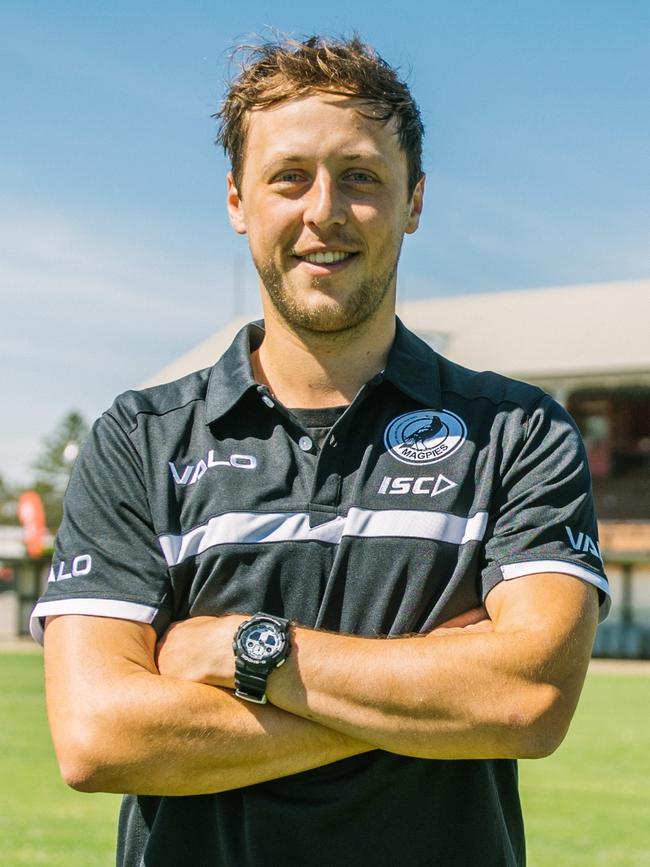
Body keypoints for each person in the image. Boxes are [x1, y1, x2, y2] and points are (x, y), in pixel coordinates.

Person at [32, 35, 610, 867]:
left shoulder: (518, 432)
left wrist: (236, 649)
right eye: (289, 176)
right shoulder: (140, 437)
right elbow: (97, 736)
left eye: (363, 176)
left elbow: (527, 701)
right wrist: (430, 693)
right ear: (238, 199)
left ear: (414, 199)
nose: (325, 210)